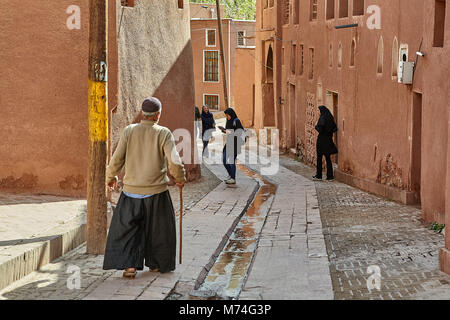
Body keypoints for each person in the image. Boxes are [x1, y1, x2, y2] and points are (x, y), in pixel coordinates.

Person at [103, 97, 186, 278]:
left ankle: (130, 267)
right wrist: (179, 178)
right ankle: (156, 264)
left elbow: (117, 159)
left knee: (130, 229)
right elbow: (174, 160)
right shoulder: (163, 133)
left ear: (142, 113)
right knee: (158, 230)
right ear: (158, 115)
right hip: (156, 192)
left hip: (131, 191)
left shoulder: (129, 131)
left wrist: (110, 177)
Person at [220, 108, 245, 185]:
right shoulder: (228, 121)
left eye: (227, 115)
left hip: (235, 144)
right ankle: (230, 174)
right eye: (226, 115)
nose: (227, 116)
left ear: (231, 114)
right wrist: (224, 130)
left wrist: (227, 131)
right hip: (229, 143)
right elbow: (228, 131)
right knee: (224, 159)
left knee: (231, 161)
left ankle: (233, 179)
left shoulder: (236, 121)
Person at [313, 105, 338, 181]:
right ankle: (330, 176)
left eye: (318, 111)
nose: (318, 112)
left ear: (321, 111)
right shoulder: (330, 117)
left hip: (321, 140)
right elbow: (335, 128)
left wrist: (316, 125)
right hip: (328, 140)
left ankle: (319, 175)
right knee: (328, 158)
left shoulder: (322, 118)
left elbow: (320, 129)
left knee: (319, 158)